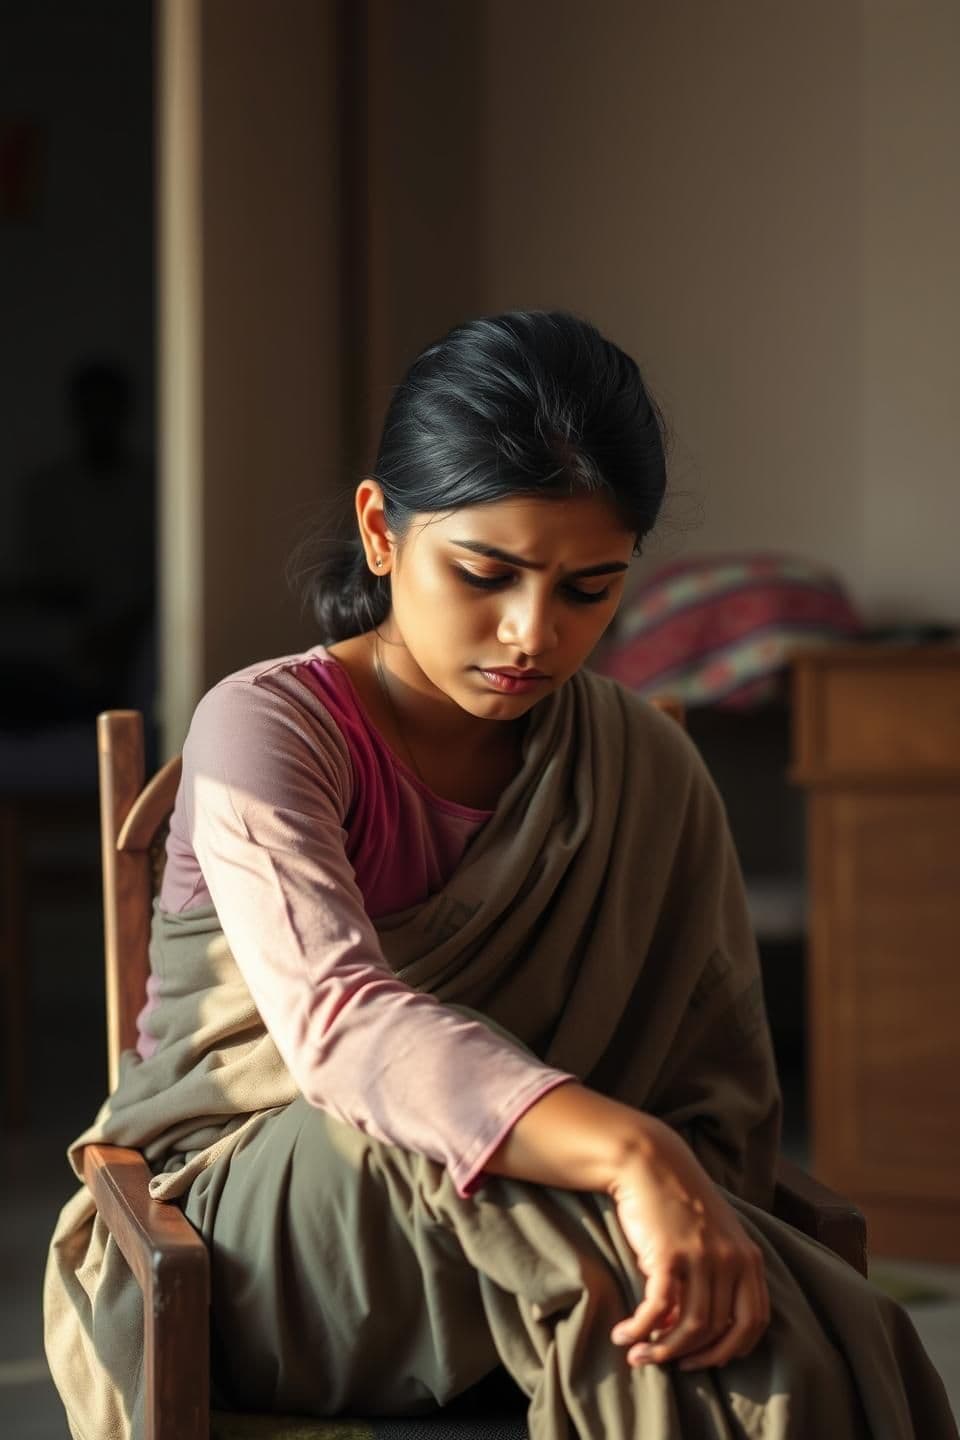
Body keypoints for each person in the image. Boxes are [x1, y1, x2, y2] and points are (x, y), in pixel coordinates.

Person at [44, 311, 956, 1439]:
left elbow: (718, 1076)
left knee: (805, 1336)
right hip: (271, 1231)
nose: (532, 634)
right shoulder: (266, 728)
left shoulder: (641, 765)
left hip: (561, 1227)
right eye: (486, 573)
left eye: (588, 590)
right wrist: (628, 1149)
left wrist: (665, 1171)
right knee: (422, 1148)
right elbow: (342, 1030)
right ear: (382, 531)